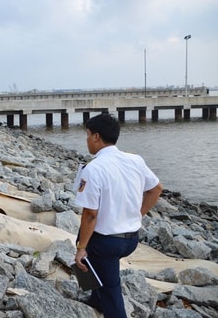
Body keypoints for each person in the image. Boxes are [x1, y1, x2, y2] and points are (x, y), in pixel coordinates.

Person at [73, 113, 163, 318]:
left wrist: (80, 249)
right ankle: (96, 299)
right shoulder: (135, 160)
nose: (86, 140)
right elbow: (156, 189)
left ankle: (108, 305)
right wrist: (137, 215)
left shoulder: (93, 168)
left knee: (112, 290)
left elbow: (89, 215)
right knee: (97, 260)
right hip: (131, 238)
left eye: (87, 135)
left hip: (107, 245)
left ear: (96, 137)